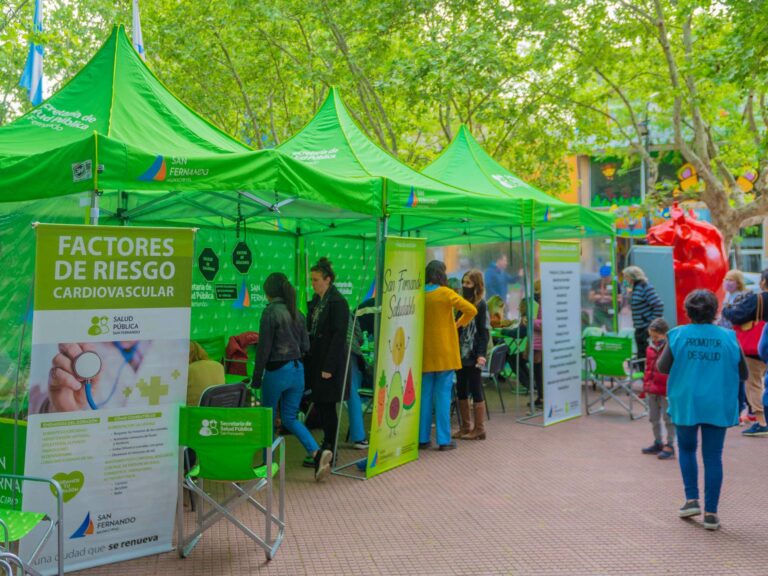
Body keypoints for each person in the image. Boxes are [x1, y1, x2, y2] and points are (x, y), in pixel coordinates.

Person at [657, 289, 748, 531]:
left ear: (688, 311)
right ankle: (711, 513)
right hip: (718, 402)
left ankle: (691, 500)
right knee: (713, 457)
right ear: (715, 310)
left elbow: (662, 367)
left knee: (686, 449)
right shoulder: (729, 337)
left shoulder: (676, 335)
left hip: (686, 401)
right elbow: (744, 374)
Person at [252, 273, 333, 481]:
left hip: (277, 372)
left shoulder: (270, 313)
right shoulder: (297, 312)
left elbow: (263, 349)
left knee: (266, 418)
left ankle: (267, 465)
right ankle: (316, 453)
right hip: (298, 371)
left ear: (269, 293)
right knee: (289, 418)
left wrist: (256, 377)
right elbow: (306, 346)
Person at [421, 260, 477, 451]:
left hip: (425, 352)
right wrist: (457, 324)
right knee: (443, 397)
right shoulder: (446, 293)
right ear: (442, 274)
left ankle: (422, 438)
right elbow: (472, 310)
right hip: (444, 352)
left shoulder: (418, 294)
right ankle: (443, 440)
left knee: (425, 397)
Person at [306, 257, 350, 454]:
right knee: (322, 404)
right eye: (312, 280)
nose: (313, 284)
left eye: (316, 280)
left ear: (328, 280)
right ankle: (327, 445)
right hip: (317, 360)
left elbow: (338, 337)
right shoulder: (316, 301)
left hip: (329, 363)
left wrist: (328, 367)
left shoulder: (338, 302)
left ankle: (330, 445)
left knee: (328, 405)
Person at [721, 269, 768, 437]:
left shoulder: (759, 299)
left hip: (757, 348)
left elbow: (735, 316)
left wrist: (726, 310)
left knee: (754, 383)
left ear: (763, 282)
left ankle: (762, 422)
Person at [453, 269, 490, 440]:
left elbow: (483, 332)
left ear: (476, 284)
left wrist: (481, 354)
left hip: (474, 353)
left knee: (475, 388)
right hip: (460, 353)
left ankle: (480, 429)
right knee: (461, 388)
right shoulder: (461, 303)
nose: (464, 285)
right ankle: (466, 427)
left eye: (468, 283)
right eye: (463, 282)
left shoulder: (481, 305)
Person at [640, 318, 675, 460]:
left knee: (669, 419)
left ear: (665, 334)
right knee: (653, 418)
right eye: (652, 336)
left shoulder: (671, 347)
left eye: (656, 336)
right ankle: (658, 442)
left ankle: (670, 444)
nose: (654, 339)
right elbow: (647, 368)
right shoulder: (650, 348)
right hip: (652, 389)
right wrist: (646, 387)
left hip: (666, 390)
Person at [623, 266, 664, 359]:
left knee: (647, 353)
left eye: (626, 277)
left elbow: (659, 305)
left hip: (646, 327)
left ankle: (647, 372)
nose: (625, 279)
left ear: (632, 277)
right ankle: (642, 372)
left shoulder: (645, 286)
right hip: (639, 327)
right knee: (641, 353)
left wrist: (651, 323)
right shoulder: (635, 288)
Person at [588, 264, 621, 331]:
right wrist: (604, 297)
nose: (605, 279)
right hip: (599, 310)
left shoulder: (615, 284)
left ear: (610, 275)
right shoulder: (596, 283)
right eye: (603, 277)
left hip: (611, 311)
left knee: (611, 329)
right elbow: (591, 297)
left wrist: (606, 297)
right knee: (594, 329)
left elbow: (619, 299)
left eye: (607, 277)